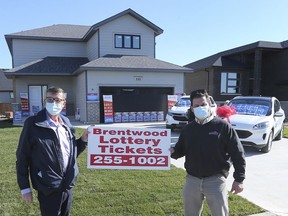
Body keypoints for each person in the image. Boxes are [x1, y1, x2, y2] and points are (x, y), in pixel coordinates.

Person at [170, 89, 246, 216]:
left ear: (210, 105)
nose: (200, 108)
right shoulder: (188, 129)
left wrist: (239, 179)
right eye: (196, 106)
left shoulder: (223, 126)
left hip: (215, 181)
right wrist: (172, 151)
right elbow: (180, 150)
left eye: (203, 104)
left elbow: (237, 153)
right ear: (192, 108)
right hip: (192, 181)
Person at [16, 87, 89, 216]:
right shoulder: (33, 124)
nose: (54, 103)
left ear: (63, 103)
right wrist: (25, 188)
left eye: (57, 100)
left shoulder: (66, 123)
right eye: (50, 99)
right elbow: (22, 157)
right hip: (47, 186)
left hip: (67, 185)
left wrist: (83, 140)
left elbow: (70, 153)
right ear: (45, 101)